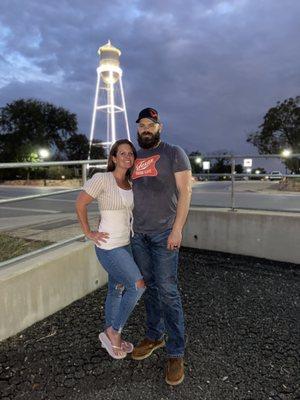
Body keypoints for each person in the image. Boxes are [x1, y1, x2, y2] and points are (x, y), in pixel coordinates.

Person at [130, 108, 192, 385]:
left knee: (168, 291)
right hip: (139, 235)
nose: (145, 128)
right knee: (151, 288)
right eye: (141, 124)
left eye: (150, 125)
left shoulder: (173, 152)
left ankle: (176, 352)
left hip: (164, 233)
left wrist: (177, 230)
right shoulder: (132, 156)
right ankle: (154, 336)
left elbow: (186, 192)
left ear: (159, 127)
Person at [76, 139, 146, 360]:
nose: (127, 157)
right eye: (122, 153)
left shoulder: (131, 183)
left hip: (125, 244)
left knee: (115, 290)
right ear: (114, 158)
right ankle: (114, 332)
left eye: (130, 153)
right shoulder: (102, 179)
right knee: (137, 286)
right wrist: (89, 232)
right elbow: (80, 204)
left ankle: (109, 333)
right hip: (108, 247)